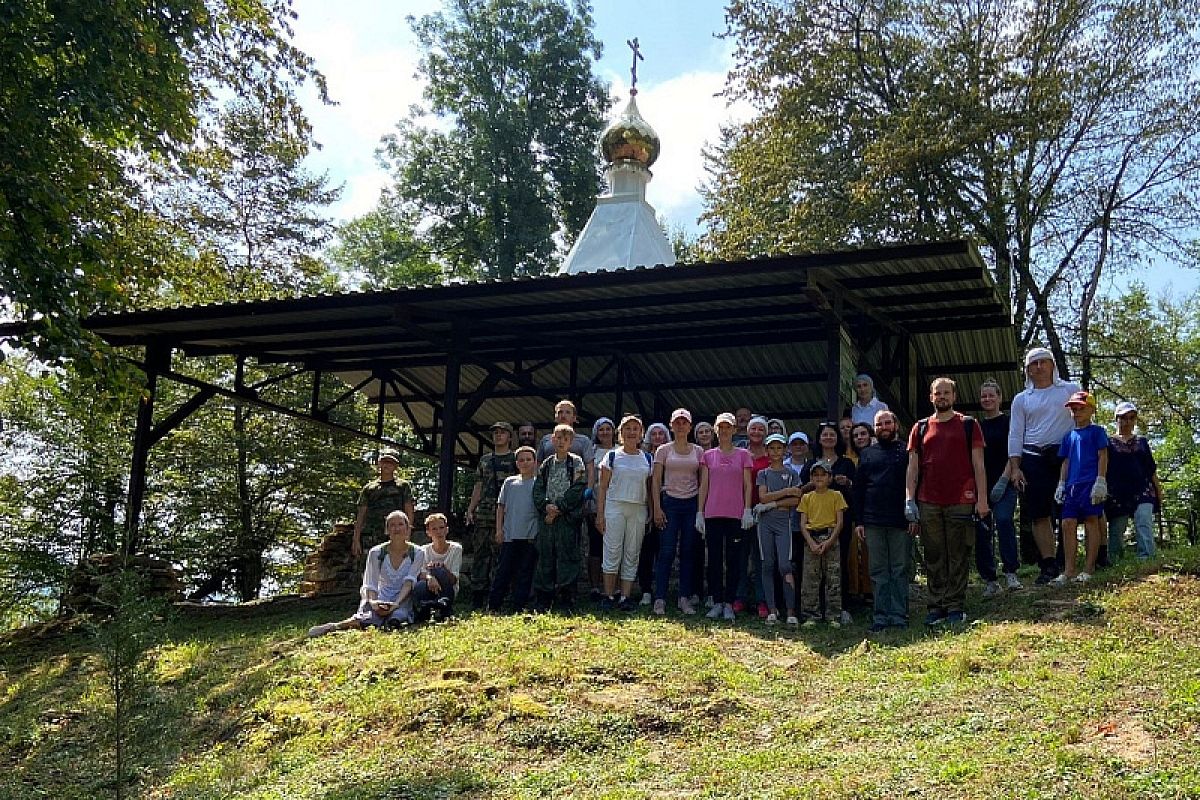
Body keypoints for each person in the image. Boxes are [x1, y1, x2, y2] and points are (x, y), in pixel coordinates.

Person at [906, 377, 989, 626]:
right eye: (937, 393)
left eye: (946, 393)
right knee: (934, 555)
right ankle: (936, 607)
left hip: (961, 500)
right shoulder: (919, 428)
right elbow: (912, 468)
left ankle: (955, 606)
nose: (941, 397)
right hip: (928, 500)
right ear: (931, 397)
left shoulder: (968, 424)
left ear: (954, 396)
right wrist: (909, 499)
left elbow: (979, 465)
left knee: (958, 554)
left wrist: (982, 499)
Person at [1008, 347, 1081, 584]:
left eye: (1043, 362)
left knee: (1067, 510)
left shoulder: (1070, 390)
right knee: (1039, 513)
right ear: (1027, 370)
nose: (1039, 367)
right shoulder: (1022, 399)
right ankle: (1048, 564)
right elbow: (1015, 434)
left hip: (1064, 456)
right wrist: (1015, 466)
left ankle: (1068, 560)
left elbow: (1083, 419)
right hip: (1032, 457)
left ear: (1052, 365)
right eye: (1033, 364)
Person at [308, 510, 424, 637]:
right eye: (392, 525)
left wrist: (396, 603)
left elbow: (410, 581)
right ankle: (334, 626)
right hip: (380, 596)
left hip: (403, 599)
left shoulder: (417, 552)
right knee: (367, 620)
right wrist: (374, 603)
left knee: (396, 620)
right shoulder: (376, 552)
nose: (396, 528)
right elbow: (370, 582)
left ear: (408, 528)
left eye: (400, 524)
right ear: (387, 530)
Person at [854, 410, 912, 631]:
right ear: (875, 428)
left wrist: (914, 516)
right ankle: (880, 616)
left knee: (899, 568)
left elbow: (915, 483)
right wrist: (859, 521)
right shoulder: (867, 454)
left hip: (901, 520)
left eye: (888, 422)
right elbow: (858, 490)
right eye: (879, 424)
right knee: (877, 570)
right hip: (873, 521)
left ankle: (899, 615)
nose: (884, 427)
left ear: (895, 425)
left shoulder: (906, 451)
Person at [698, 412, 754, 621]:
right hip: (713, 513)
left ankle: (729, 602)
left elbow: (748, 485)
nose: (724, 431)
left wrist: (747, 509)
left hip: (735, 514)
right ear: (716, 430)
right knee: (713, 560)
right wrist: (699, 512)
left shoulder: (743, 455)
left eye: (728, 427)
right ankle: (716, 600)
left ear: (733, 430)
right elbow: (704, 485)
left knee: (733, 560)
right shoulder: (708, 455)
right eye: (720, 428)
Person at [596, 415, 654, 611]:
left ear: (641, 433)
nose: (631, 432)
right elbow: (602, 487)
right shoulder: (611, 456)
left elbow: (650, 487)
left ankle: (625, 597)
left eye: (635, 429)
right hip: (615, 507)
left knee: (632, 552)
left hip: (638, 508)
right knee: (612, 551)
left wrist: (652, 512)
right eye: (627, 428)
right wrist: (600, 514)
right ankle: (609, 595)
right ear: (621, 433)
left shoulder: (647, 458)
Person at [652, 408, 704, 615]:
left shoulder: (699, 451)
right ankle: (660, 598)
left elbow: (703, 481)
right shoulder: (663, 450)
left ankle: (684, 597)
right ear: (671, 425)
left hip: (691, 504)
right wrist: (657, 507)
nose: (681, 425)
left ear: (690, 426)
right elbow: (656, 480)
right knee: (666, 551)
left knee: (688, 551)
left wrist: (701, 509)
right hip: (670, 503)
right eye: (677, 422)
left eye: (684, 422)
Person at [1052, 391, 1108, 584]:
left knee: (1092, 520)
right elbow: (1066, 462)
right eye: (1074, 409)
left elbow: (1103, 455)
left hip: (1090, 484)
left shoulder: (1097, 432)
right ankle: (1069, 570)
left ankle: (1089, 568)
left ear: (1091, 410)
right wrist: (1061, 483)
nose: (1076, 412)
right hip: (1071, 486)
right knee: (1067, 523)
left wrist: (1100, 480)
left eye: (1081, 408)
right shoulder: (1069, 436)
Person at [532, 424, 588, 612]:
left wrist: (560, 508)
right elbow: (538, 488)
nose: (561, 442)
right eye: (558, 438)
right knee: (545, 556)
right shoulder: (546, 463)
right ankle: (544, 598)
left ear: (571, 442)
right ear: (552, 440)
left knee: (568, 556)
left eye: (565, 439)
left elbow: (579, 487)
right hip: (547, 519)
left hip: (567, 518)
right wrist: (546, 506)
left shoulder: (576, 462)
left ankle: (567, 598)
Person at [463, 422, 518, 607]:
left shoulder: (515, 459)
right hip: (485, 514)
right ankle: (478, 593)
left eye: (502, 433)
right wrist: (471, 508)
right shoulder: (485, 460)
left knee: (501, 556)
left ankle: (498, 593)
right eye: (495, 433)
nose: (498, 436)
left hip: (506, 514)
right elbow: (478, 485)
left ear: (510, 437)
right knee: (480, 554)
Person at [977, 379, 1022, 594]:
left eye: (991, 395)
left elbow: (1012, 452)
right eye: (984, 396)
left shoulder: (1008, 423)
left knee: (1004, 521)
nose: (987, 399)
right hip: (982, 486)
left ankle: (1011, 573)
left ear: (999, 398)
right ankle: (990, 580)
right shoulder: (977, 426)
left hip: (1005, 483)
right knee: (982, 531)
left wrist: (1004, 480)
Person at [753, 433, 803, 625]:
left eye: (779, 448)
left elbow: (795, 500)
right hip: (765, 523)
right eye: (772, 448)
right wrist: (785, 492)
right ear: (766, 451)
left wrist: (777, 502)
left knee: (785, 565)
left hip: (784, 523)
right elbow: (762, 497)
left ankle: (790, 611)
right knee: (767, 564)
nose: (775, 452)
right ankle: (772, 610)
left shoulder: (792, 474)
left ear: (785, 450)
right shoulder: (763, 474)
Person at [810, 421, 856, 621]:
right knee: (816, 565)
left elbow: (856, 491)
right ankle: (817, 606)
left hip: (840, 521)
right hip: (815, 521)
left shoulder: (846, 463)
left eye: (832, 434)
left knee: (840, 563)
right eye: (824, 435)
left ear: (838, 438)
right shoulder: (812, 464)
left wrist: (848, 483)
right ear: (819, 439)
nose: (828, 438)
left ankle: (842, 606)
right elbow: (804, 490)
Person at [1106, 401, 1162, 561]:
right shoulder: (1108, 443)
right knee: (1117, 529)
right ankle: (1114, 561)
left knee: (1143, 522)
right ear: (1116, 419)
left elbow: (1150, 469)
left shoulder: (1142, 442)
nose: (1128, 421)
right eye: (1123, 417)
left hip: (1143, 489)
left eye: (1131, 418)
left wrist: (1158, 490)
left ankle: (1147, 558)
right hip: (1117, 492)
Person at [488, 447, 541, 613]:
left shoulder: (539, 483)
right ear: (516, 463)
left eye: (528, 459)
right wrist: (499, 530)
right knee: (503, 570)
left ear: (535, 462)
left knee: (525, 571)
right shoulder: (509, 482)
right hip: (510, 534)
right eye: (521, 460)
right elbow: (500, 507)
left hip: (530, 534)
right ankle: (494, 605)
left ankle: (520, 606)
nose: (525, 463)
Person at [798, 461, 848, 627]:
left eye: (823, 475)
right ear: (811, 478)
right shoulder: (806, 497)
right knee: (810, 579)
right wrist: (811, 542)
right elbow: (802, 524)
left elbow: (840, 522)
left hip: (831, 538)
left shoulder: (836, 496)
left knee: (833, 578)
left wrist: (830, 541)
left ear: (830, 477)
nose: (819, 478)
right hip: (811, 539)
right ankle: (811, 615)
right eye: (816, 475)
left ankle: (833, 614)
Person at [352, 449, 416, 558]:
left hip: (395, 534)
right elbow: (361, 515)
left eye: (390, 463)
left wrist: (407, 537)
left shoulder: (402, 486)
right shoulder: (369, 488)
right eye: (384, 461)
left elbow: (409, 512)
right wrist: (356, 539)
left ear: (395, 466)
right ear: (379, 464)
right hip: (371, 535)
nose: (387, 465)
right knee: (368, 569)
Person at [738, 416, 772, 617]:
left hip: (763, 512)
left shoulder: (771, 456)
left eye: (761, 429)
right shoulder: (740, 454)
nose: (757, 432)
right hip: (741, 511)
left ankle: (762, 599)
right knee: (740, 557)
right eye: (753, 429)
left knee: (760, 558)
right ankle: (739, 597)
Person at [637, 422, 671, 605]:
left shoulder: (671, 455)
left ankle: (661, 589)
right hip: (644, 507)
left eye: (661, 434)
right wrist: (651, 510)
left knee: (664, 550)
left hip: (668, 506)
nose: (658, 437)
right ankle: (646, 590)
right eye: (654, 434)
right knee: (646, 550)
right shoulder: (643, 457)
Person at [586, 417, 617, 599]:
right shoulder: (592, 451)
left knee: (614, 547)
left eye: (608, 429)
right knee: (595, 546)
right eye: (601, 429)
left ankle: (613, 587)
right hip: (596, 505)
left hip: (615, 504)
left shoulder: (620, 451)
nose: (605, 432)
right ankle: (595, 586)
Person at [536, 399, 596, 488]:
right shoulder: (545, 440)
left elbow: (590, 469)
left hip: (575, 492)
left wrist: (589, 489)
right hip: (549, 490)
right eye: (560, 412)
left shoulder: (584, 441)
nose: (563, 415)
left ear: (574, 417)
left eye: (567, 412)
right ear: (555, 417)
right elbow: (537, 466)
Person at [413, 512, 462, 622]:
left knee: (438, 569)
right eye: (434, 529)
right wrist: (430, 578)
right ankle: (426, 609)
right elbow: (420, 573)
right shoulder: (423, 550)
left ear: (447, 529)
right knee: (420, 585)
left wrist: (442, 569)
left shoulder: (456, 549)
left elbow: (454, 579)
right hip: (430, 586)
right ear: (428, 532)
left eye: (441, 528)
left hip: (448, 587)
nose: (438, 532)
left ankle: (445, 606)